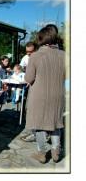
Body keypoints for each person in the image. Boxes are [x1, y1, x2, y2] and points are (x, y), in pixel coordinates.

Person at [25, 25, 65, 163]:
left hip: (39, 95)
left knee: (39, 123)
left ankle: (41, 153)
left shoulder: (35, 56)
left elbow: (28, 79)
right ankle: (56, 151)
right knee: (56, 122)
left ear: (42, 38)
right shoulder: (65, 55)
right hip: (58, 94)